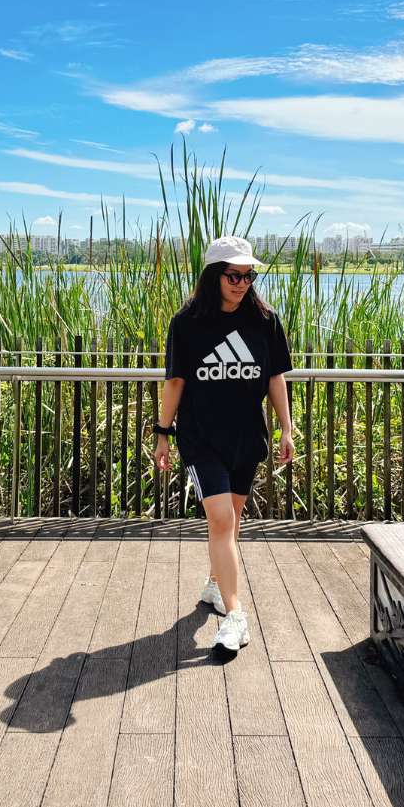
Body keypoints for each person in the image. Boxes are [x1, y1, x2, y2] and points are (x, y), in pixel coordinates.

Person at [154, 235, 295, 654]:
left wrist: (287, 429)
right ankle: (236, 617)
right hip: (201, 438)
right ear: (214, 276)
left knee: (230, 523)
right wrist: (163, 434)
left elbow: (275, 378)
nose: (242, 283)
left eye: (249, 275)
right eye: (234, 275)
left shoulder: (265, 321)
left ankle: (216, 585)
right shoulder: (187, 323)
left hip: (246, 437)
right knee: (220, 520)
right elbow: (175, 381)